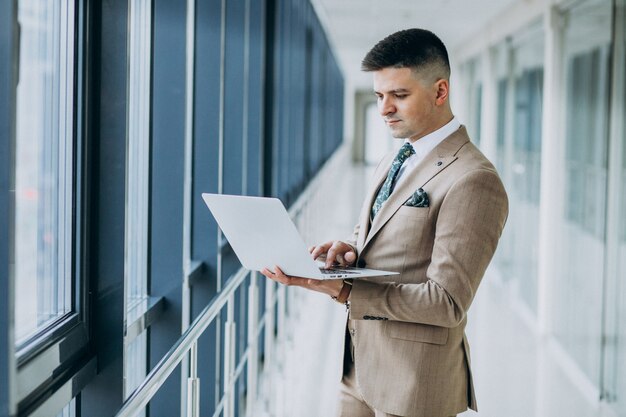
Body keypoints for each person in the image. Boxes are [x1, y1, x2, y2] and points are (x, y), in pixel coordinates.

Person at [261, 28, 508, 417]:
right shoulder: (396, 157)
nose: (384, 108)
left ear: (440, 91)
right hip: (359, 367)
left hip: (414, 386)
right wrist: (350, 248)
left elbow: (446, 303)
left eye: (400, 95)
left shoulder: (473, 179)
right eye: (379, 96)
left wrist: (345, 292)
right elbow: (381, 232)